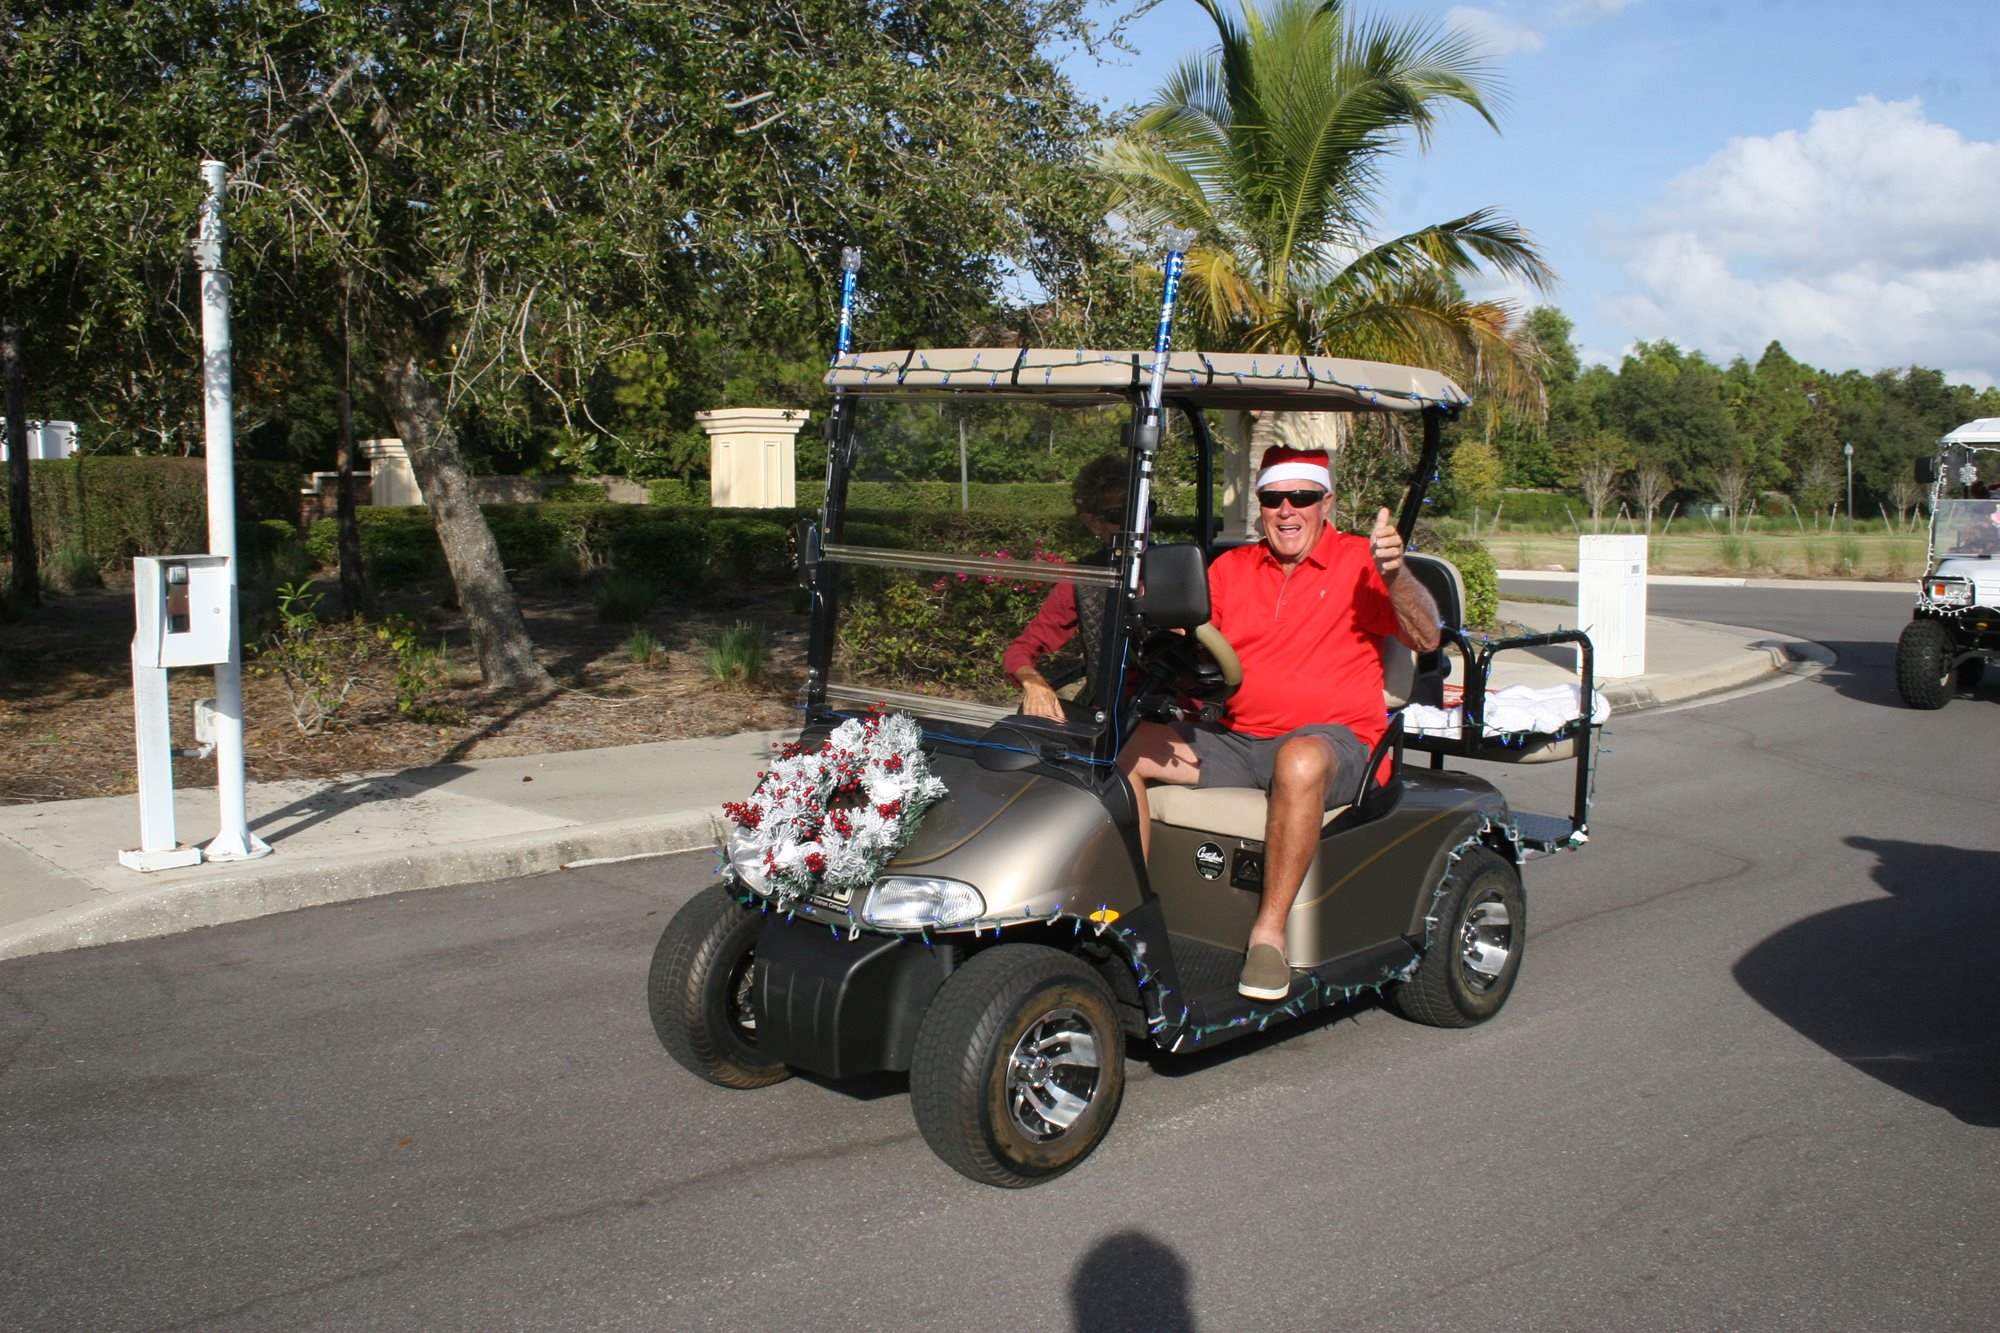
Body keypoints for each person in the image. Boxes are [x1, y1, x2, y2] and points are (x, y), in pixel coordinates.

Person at [1118, 445, 1441, 1000]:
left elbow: (1426, 636)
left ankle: (1268, 935)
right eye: (1273, 498)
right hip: (1238, 738)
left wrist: (1396, 574)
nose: (1287, 509)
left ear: (1325, 503)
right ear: (1261, 507)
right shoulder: (1232, 568)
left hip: (1336, 743)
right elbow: (1191, 637)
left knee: (1298, 760)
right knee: (1124, 747)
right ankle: (1132, 914)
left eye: (1302, 497)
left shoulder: (1361, 562)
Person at [1004, 454, 1128, 721]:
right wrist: (1034, 683)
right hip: (1110, 714)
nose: (1136, 522)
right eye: (1119, 515)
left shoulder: (1180, 567)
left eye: (1146, 509)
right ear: (1092, 522)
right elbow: (1020, 651)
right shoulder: (1083, 577)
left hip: (1171, 715)